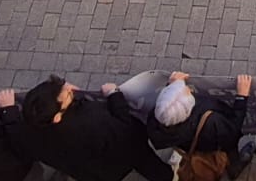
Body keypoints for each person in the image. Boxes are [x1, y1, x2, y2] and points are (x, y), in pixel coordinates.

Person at [19, 75, 173, 181]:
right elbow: (124, 129)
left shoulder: (33, 127)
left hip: (97, 172)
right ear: (57, 117)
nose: (69, 89)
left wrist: (8, 112)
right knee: (146, 162)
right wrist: (114, 94)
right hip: (123, 153)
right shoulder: (91, 122)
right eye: (65, 94)